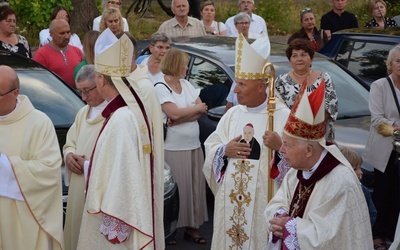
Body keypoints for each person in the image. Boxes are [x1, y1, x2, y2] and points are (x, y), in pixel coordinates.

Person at [77, 28, 164, 249]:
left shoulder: (122, 118)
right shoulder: (119, 113)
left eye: (96, 75)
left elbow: (123, 174)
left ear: (102, 79)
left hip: (113, 217)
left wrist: (116, 223)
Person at [264, 74, 373, 249]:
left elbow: (331, 236)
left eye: (287, 145)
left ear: (308, 150)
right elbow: (279, 200)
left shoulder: (340, 181)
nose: (281, 150)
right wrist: (280, 215)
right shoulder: (295, 172)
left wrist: (289, 227)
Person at [203, 33, 290, 250]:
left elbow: (300, 166)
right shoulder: (232, 115)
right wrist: (224, 151)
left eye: (241, 84)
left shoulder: (281, 116)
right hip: (231, 205)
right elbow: (211, 147)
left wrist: (280, 148)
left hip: (263, 206)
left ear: (261, 86)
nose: (235, 90)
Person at [0, 65, 63, 249]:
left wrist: (4, 165)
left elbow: (49, 171)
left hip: (25, 222)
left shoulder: (39, 123)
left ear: (15, 93)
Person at [154, 48, 208, 245]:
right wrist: (189, 112)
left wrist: (181, 116)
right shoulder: (160, 86)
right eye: (184, 63)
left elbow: (201, 111)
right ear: (176, 64)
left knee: (193, 188)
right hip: (173, 148)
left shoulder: (186, 84)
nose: (187, 67)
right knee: (176, 191)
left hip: (193, 145)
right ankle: (170, 230)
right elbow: (174, 113)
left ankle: (191, 228)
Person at [63, 65, 107, 250]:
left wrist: (88, 165)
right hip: (78, 187)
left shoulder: (114, 115)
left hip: (100, 190)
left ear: (100, 83)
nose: (83, 97)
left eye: (87, 91)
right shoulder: (83, 112)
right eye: (80, 91)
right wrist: (69, 156)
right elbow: (70, 141)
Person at [363, 44, 400, 250]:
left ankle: (394, 236)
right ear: (390, 64)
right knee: (382, 194)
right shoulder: (379, 86)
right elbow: (377, 119)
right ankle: (377, 237)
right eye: (398, 60)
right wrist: (397, 130)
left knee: (398, 195)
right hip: (385, 149)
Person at [275, 38, 338, 143]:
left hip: (320, 137)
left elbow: (331, 107)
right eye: (294, 56)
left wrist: (310, 129)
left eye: (303, 55)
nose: (299, 59)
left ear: (311, 58)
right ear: (290, 60)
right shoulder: (281, 81)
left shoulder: (324, 77)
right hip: (292, 136)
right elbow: (278, 109)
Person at [33, 19, 83, 88]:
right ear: (51, 33)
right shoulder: (41, 55)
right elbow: (37, 82)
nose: (67, 36)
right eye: (62, 33)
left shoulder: (77, 51)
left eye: (68, 32)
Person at [340, 147, 377, 227]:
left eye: (360, 168)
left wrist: (364, 228)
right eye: (355, 169)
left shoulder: (363, 190)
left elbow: (372, 213)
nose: (360, 172)